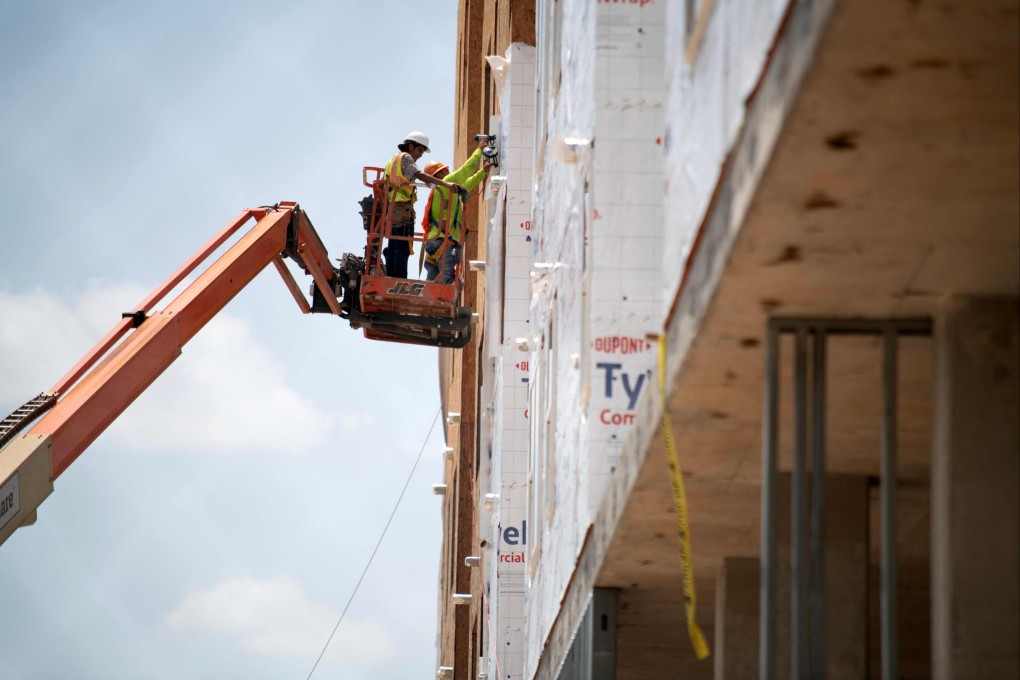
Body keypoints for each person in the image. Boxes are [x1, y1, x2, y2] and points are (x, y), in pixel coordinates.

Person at [383, 131, 461, 279]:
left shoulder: (393, 160)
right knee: (403, 247)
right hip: (402, 210)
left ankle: (391, 278)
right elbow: (418, 173)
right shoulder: (405, 158)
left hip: (392, 209)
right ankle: (399, 280)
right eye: (419, 150)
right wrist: (445, 183)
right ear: (410, 146)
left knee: (394, 243)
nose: (420, 155)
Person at [421, 139, 492, 284]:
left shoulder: (442, 191)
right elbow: (466, 170)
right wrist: (479, 150)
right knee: (446, 280)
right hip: (442, 241)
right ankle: (439, 304)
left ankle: (429, 304)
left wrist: (483, 171)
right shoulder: (446, 182)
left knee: (431, 282)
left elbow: (467, 184)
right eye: (445, 171)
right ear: (440, 174)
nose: (448, 172)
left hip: (433, 242)